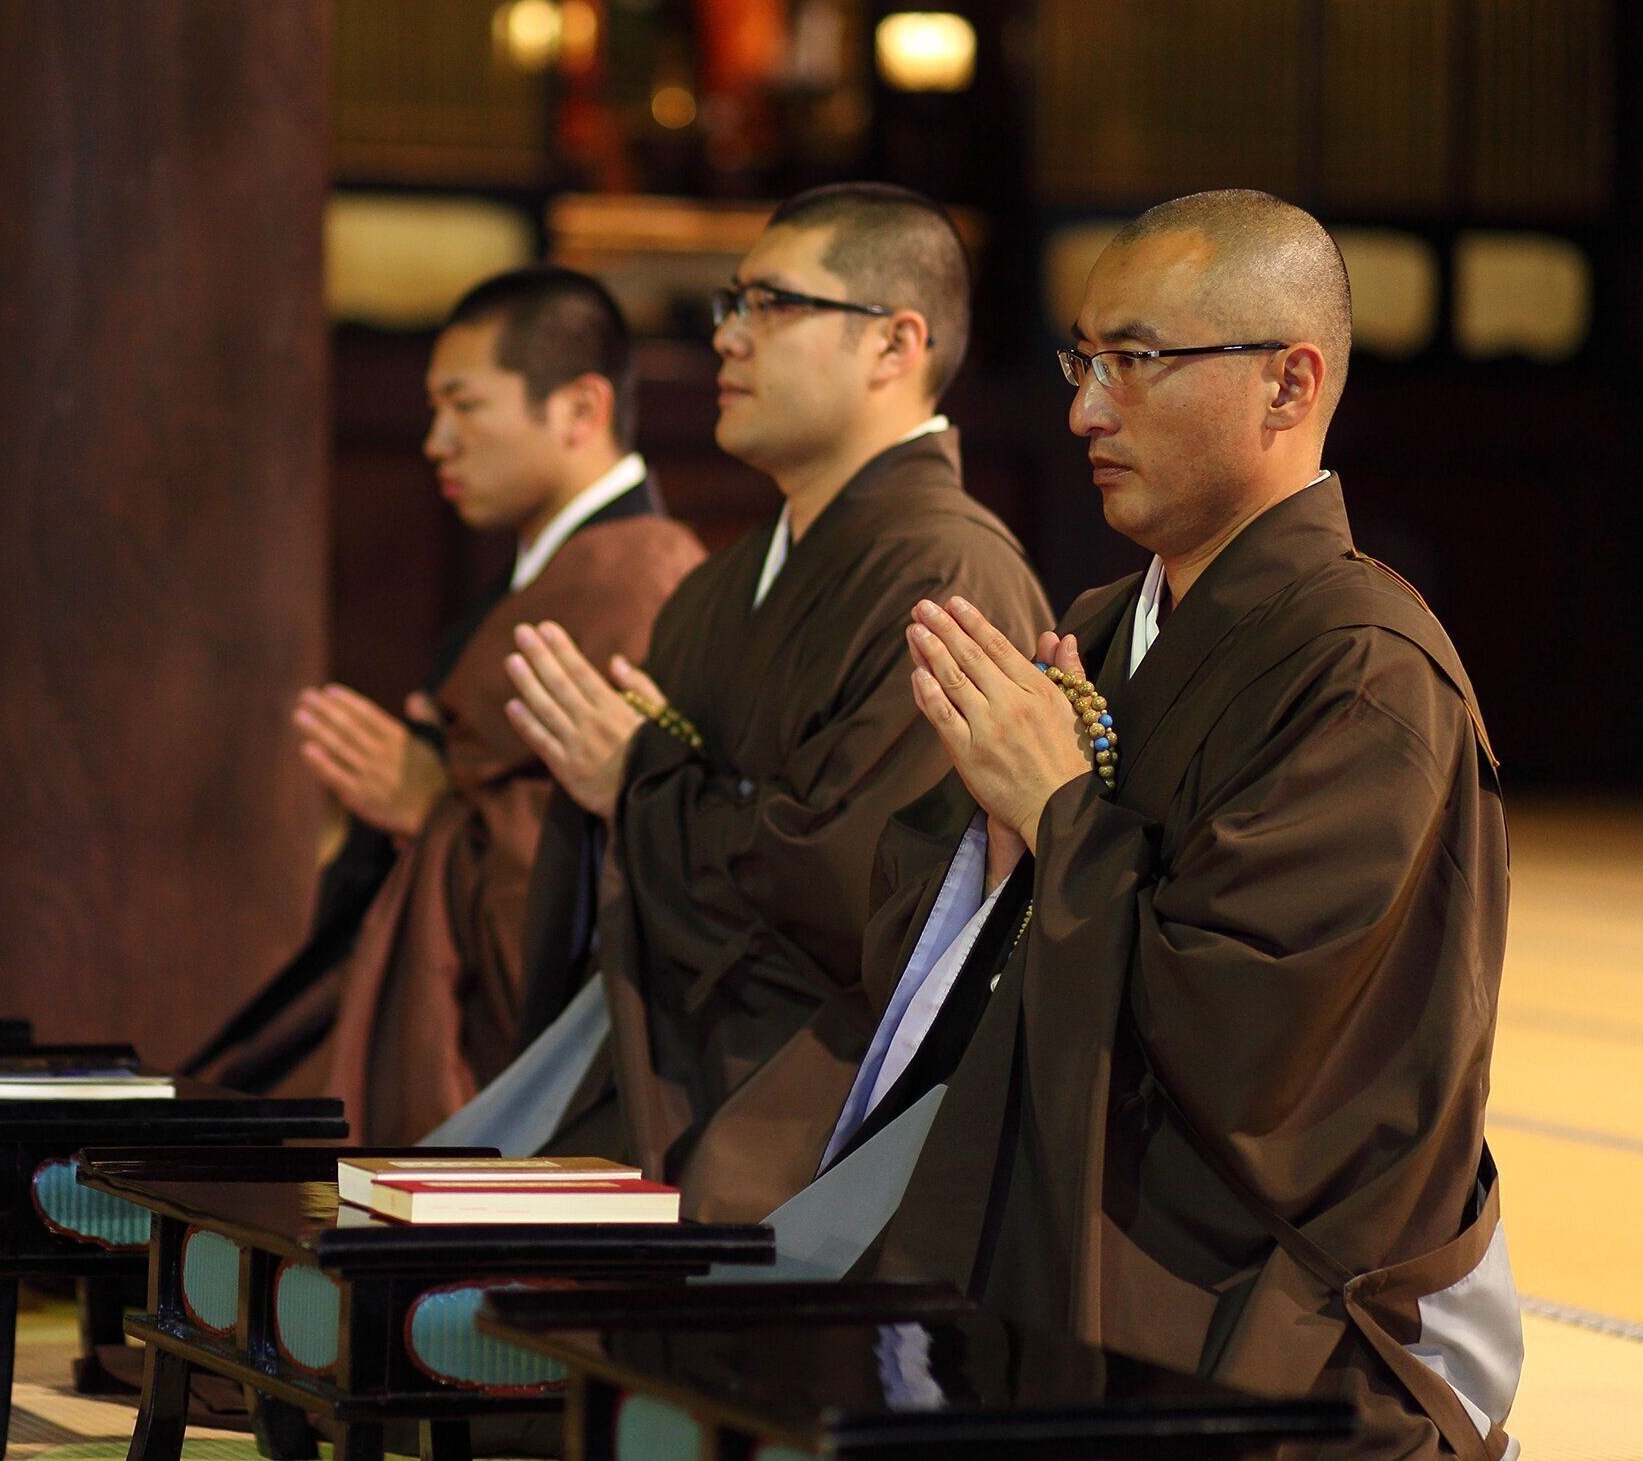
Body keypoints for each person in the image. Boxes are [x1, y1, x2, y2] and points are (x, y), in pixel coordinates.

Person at [841, 189, 1516, 1458]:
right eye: (1081, 361)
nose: (1088, 409)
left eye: (1138, 362)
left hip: (1266, 1308)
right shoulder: (1094, 631)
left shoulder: (1367, 671)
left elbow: (1254, 1032)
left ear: (1287, 383)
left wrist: (1055, 811)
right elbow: (919, 952)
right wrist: (994, 858)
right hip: (1039, 1247)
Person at [470, 182, 1052, 1221]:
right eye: (727, 307)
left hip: (809, 1131)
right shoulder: (714, 590)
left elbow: (864, 897)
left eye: (770, 305)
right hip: (664, 1080)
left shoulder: (946, 577)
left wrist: (640, 783)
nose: (727, 341)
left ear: (894, 342)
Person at [185, 266, 702, 1141]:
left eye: (463, 405)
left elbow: (610, 859)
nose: (435, 441)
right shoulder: (548, 573)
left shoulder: (642, 579)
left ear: (578, 409)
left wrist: (431, 808)